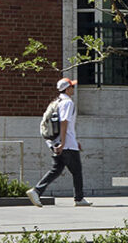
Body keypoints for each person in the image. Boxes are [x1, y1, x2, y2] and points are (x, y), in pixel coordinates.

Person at [27, 77, 89, 207]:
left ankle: (37, 191)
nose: (73, 89)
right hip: (66, 145)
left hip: (59, 142)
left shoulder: (56, 102)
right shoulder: (68, 103)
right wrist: (63, 143)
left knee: (56, 169)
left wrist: (64, 142)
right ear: (67, 89)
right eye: (72, 86)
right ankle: (79, 199)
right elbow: (64, 123)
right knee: (76, 171)